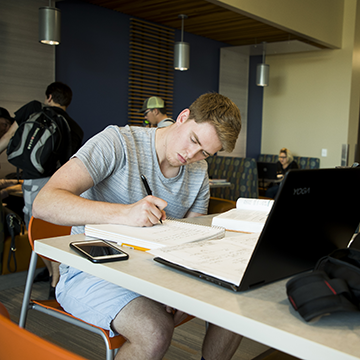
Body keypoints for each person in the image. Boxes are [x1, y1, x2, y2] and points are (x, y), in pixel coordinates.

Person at [32, 92, 243, 360]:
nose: (191, 155)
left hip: (153, 275)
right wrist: (124, 214)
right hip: (91, 271)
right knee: (154, 331)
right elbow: (44, 202)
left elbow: (192, 243)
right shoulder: (118, 142)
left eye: (205, 153)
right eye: (194, 141)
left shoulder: (198, 170)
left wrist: (179, 288)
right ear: (183, 117)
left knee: (238, 302)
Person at [0, 82, 84, 298]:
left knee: (37, 231)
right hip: (61, 184)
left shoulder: (33, 109)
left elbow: (9, 137)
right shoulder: (75, 127)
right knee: (55, 231)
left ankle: (53, 276)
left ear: (49, 97)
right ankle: (54, 275)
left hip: (35, 181)